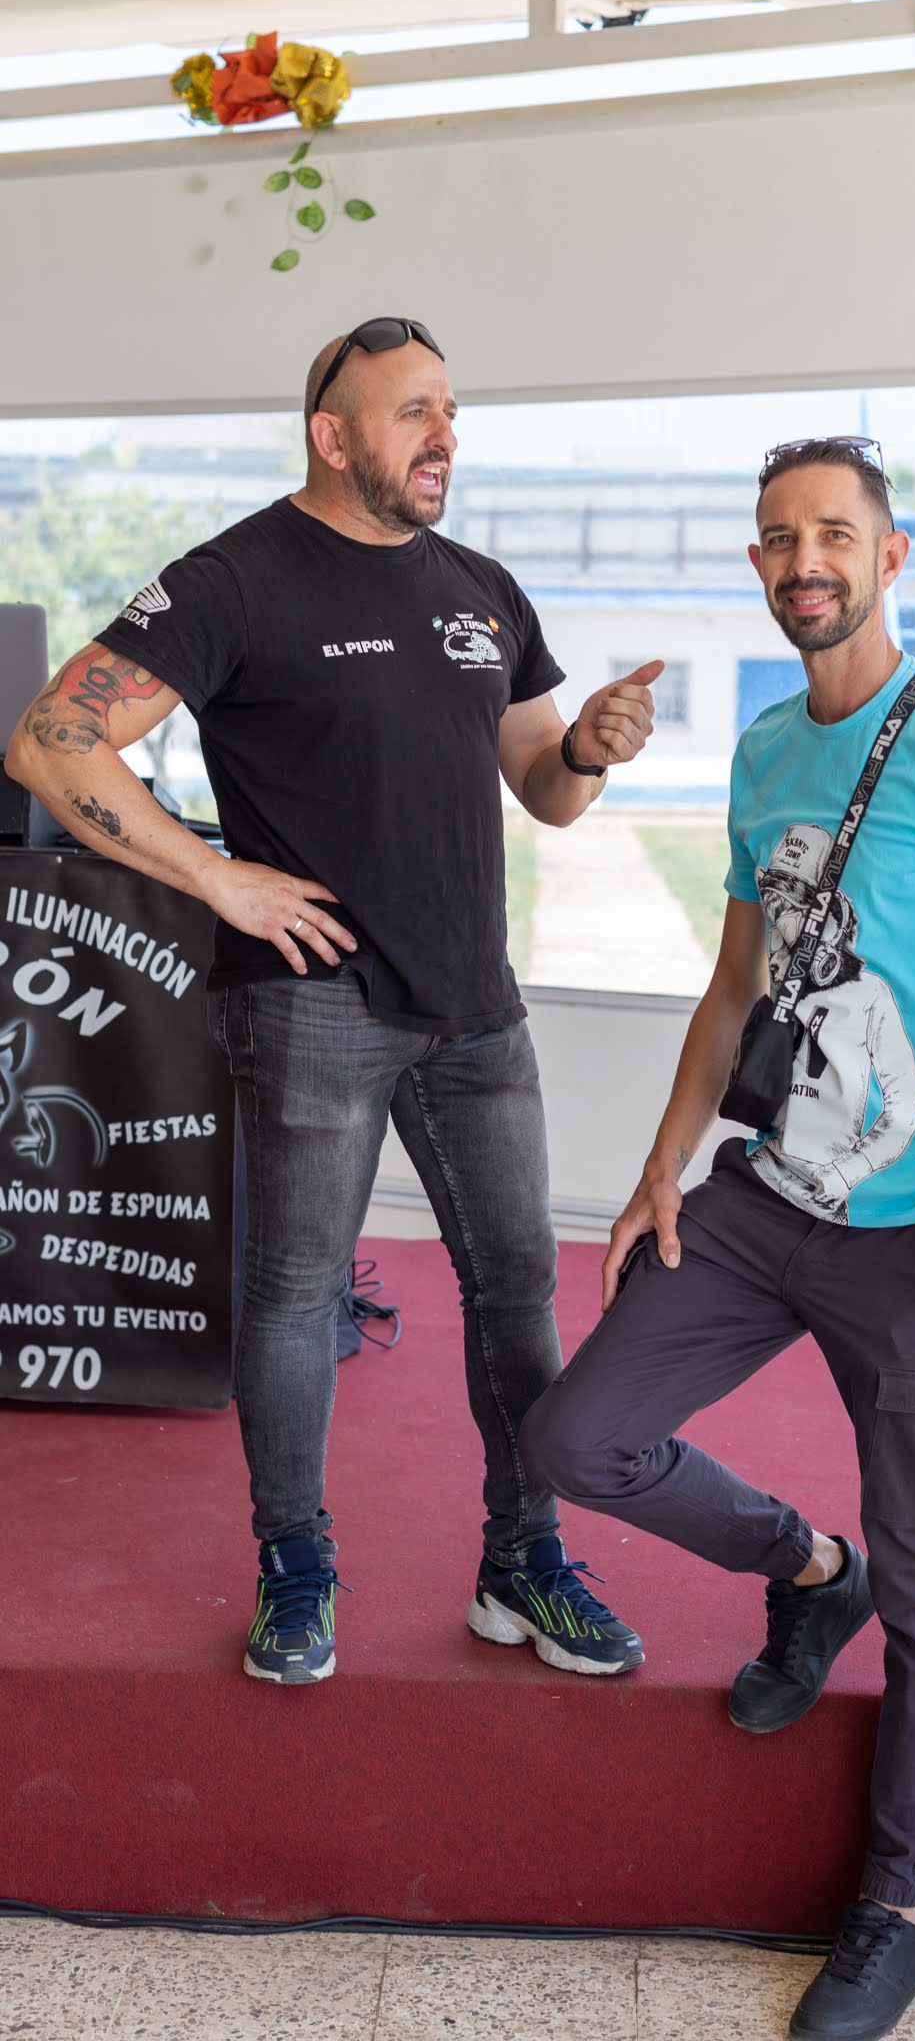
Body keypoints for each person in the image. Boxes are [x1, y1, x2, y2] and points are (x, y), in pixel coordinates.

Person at [520, 435, 915, 2040]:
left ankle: (894, 1915)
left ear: (890, 556)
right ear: (758, 565)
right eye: (778, 538)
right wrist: (661, 1171)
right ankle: (809, 1572)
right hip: (763, 1201)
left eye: (832, 534)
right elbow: (735, 987)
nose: (804, 561)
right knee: (575, 1437)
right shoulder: (760, 753)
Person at [5, 315, 661, 1689]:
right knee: (296, 1299)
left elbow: (542, 786)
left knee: (516, 1289)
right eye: (414, 410)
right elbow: (52, 738)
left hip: (475, 1007)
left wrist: (591, 751)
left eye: (450, 409)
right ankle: (295, 1568)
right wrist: (215, 877)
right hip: (313, 1007)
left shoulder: (481, 588)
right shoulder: (234, 580)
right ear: (332, 433)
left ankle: (523, 1561)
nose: (444, 435)